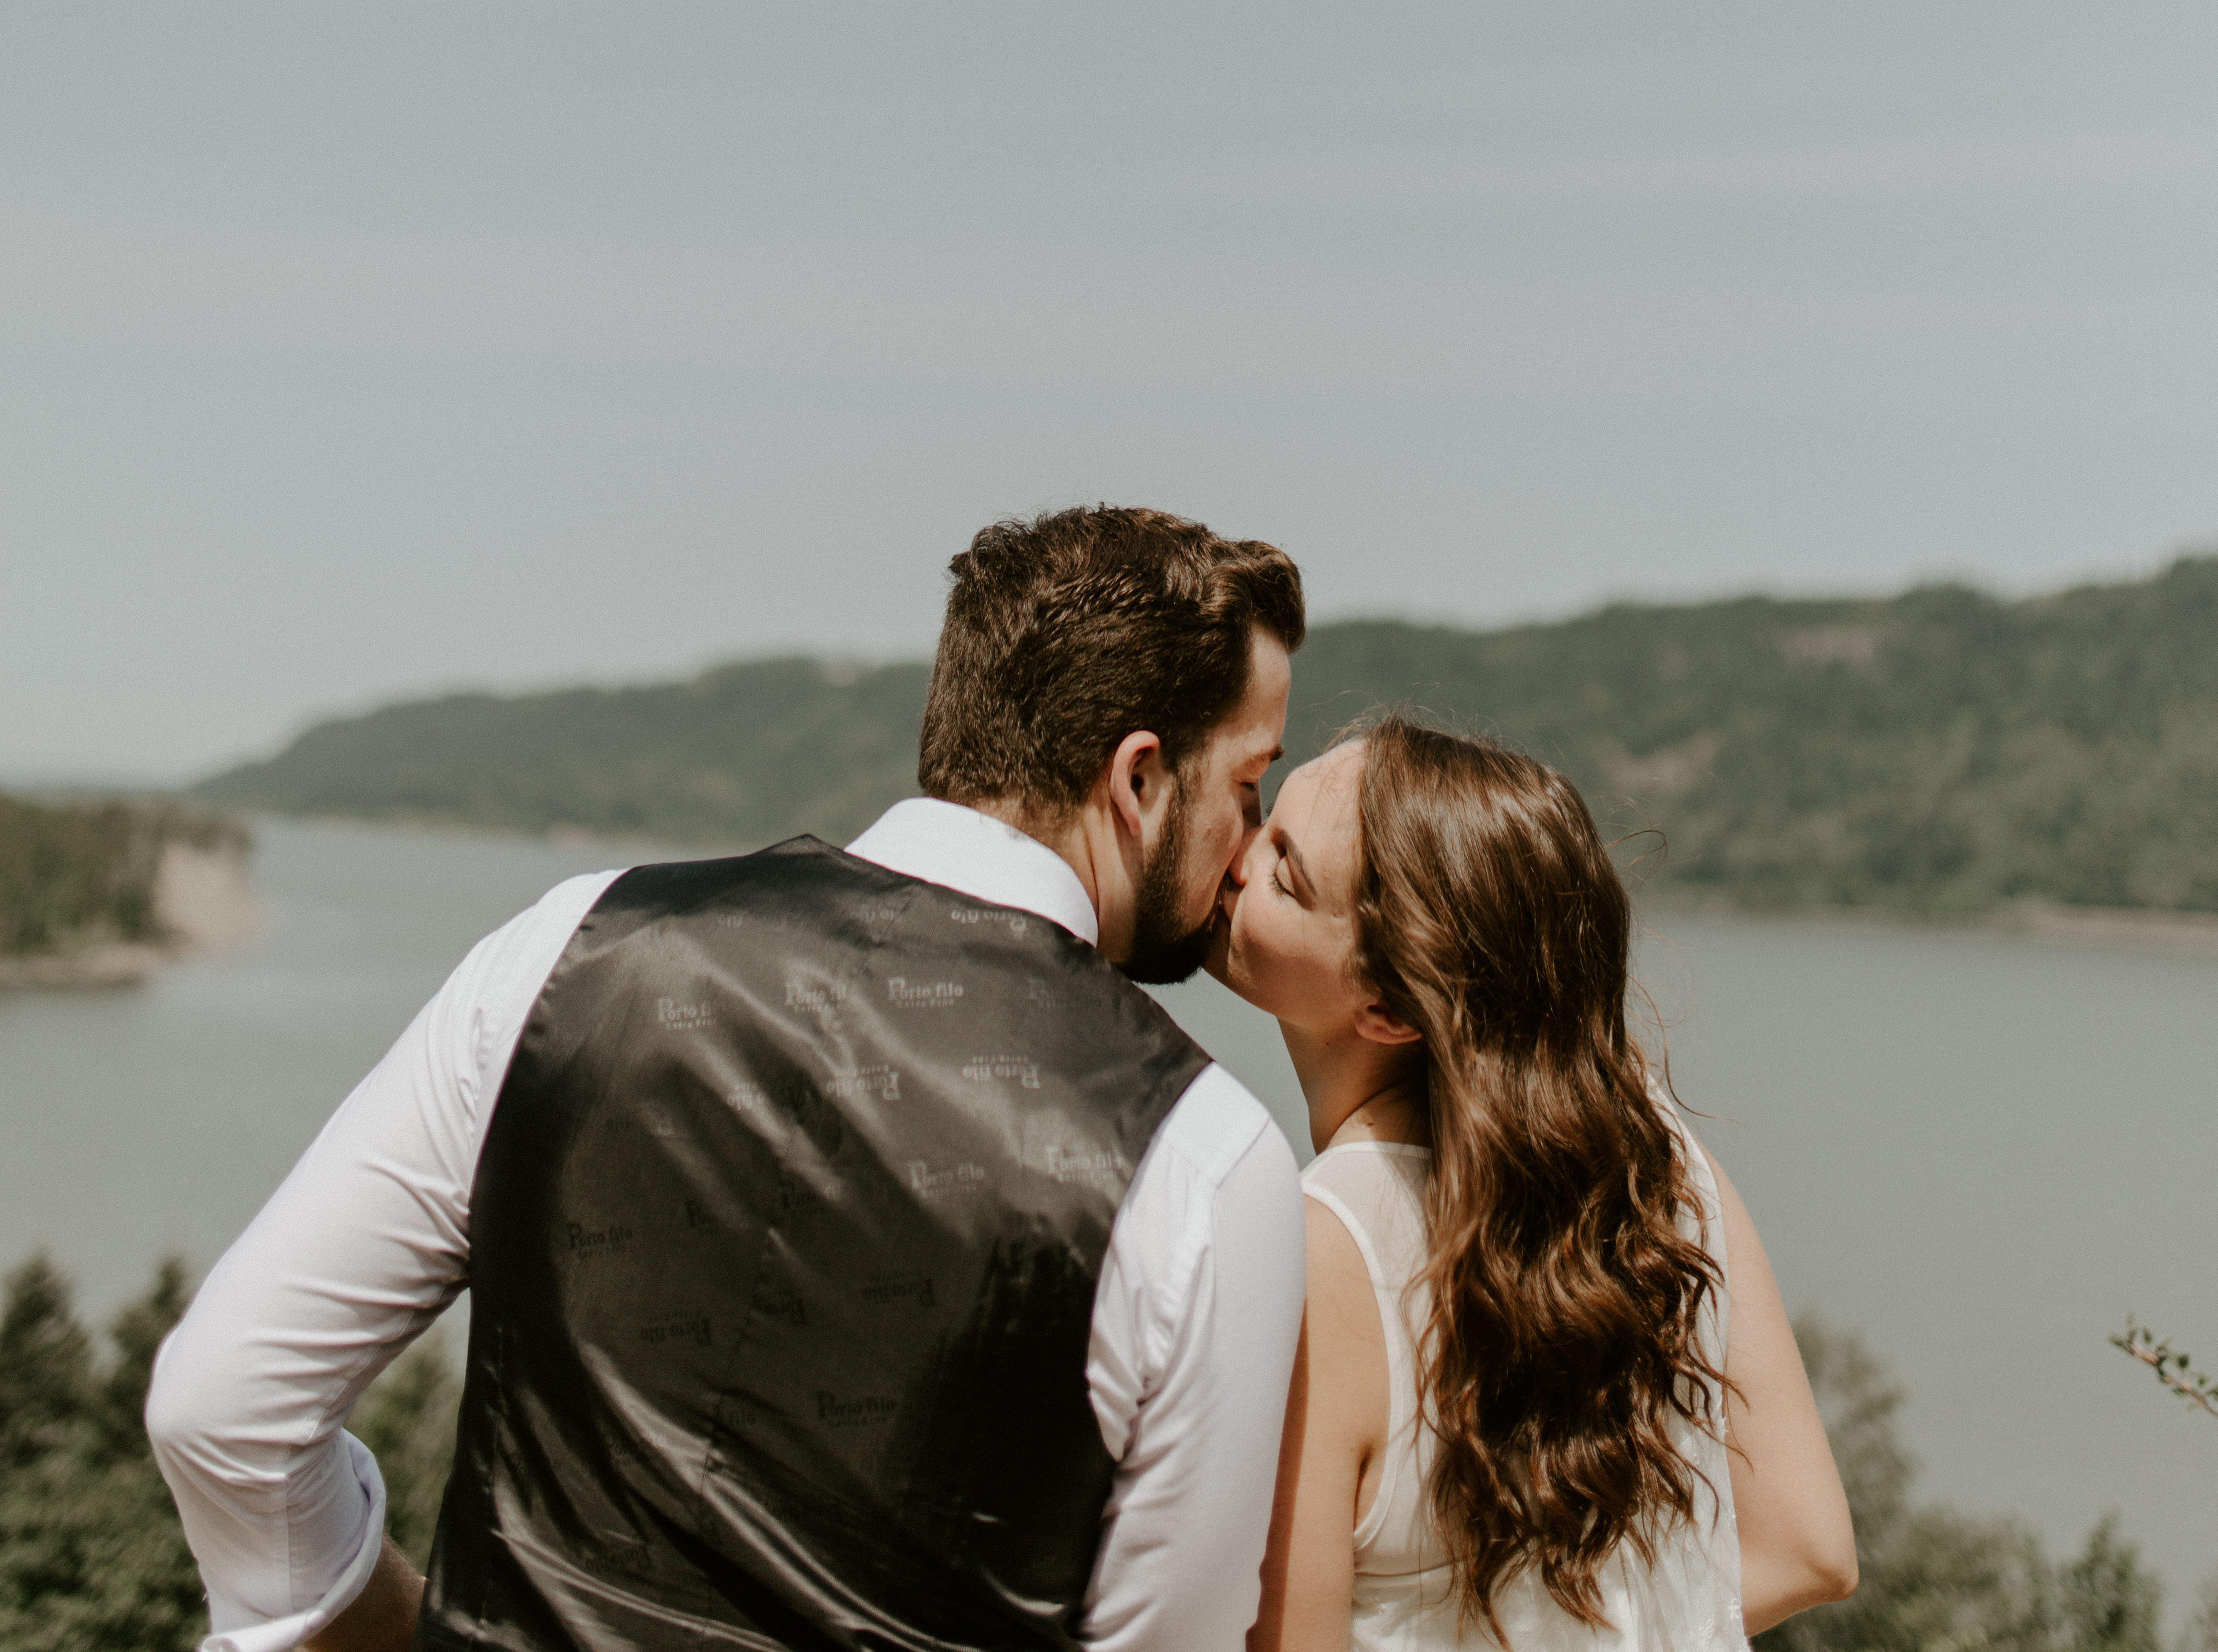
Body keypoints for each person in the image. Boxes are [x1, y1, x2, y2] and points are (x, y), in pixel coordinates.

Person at [150, 505, 1311, 1652]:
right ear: (1141, 780)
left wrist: (383, 1630)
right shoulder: (1204, 1159)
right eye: (1248, 785)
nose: (1249, 845)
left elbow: (221, 1414)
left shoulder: (572, 946)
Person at [1210, 716, 1858, 1649]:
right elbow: (1808, 1548)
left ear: (1390, 1006)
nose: (1236, 859)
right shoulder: (1657, 1171)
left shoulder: (1323, 1251)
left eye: (1282, 871)